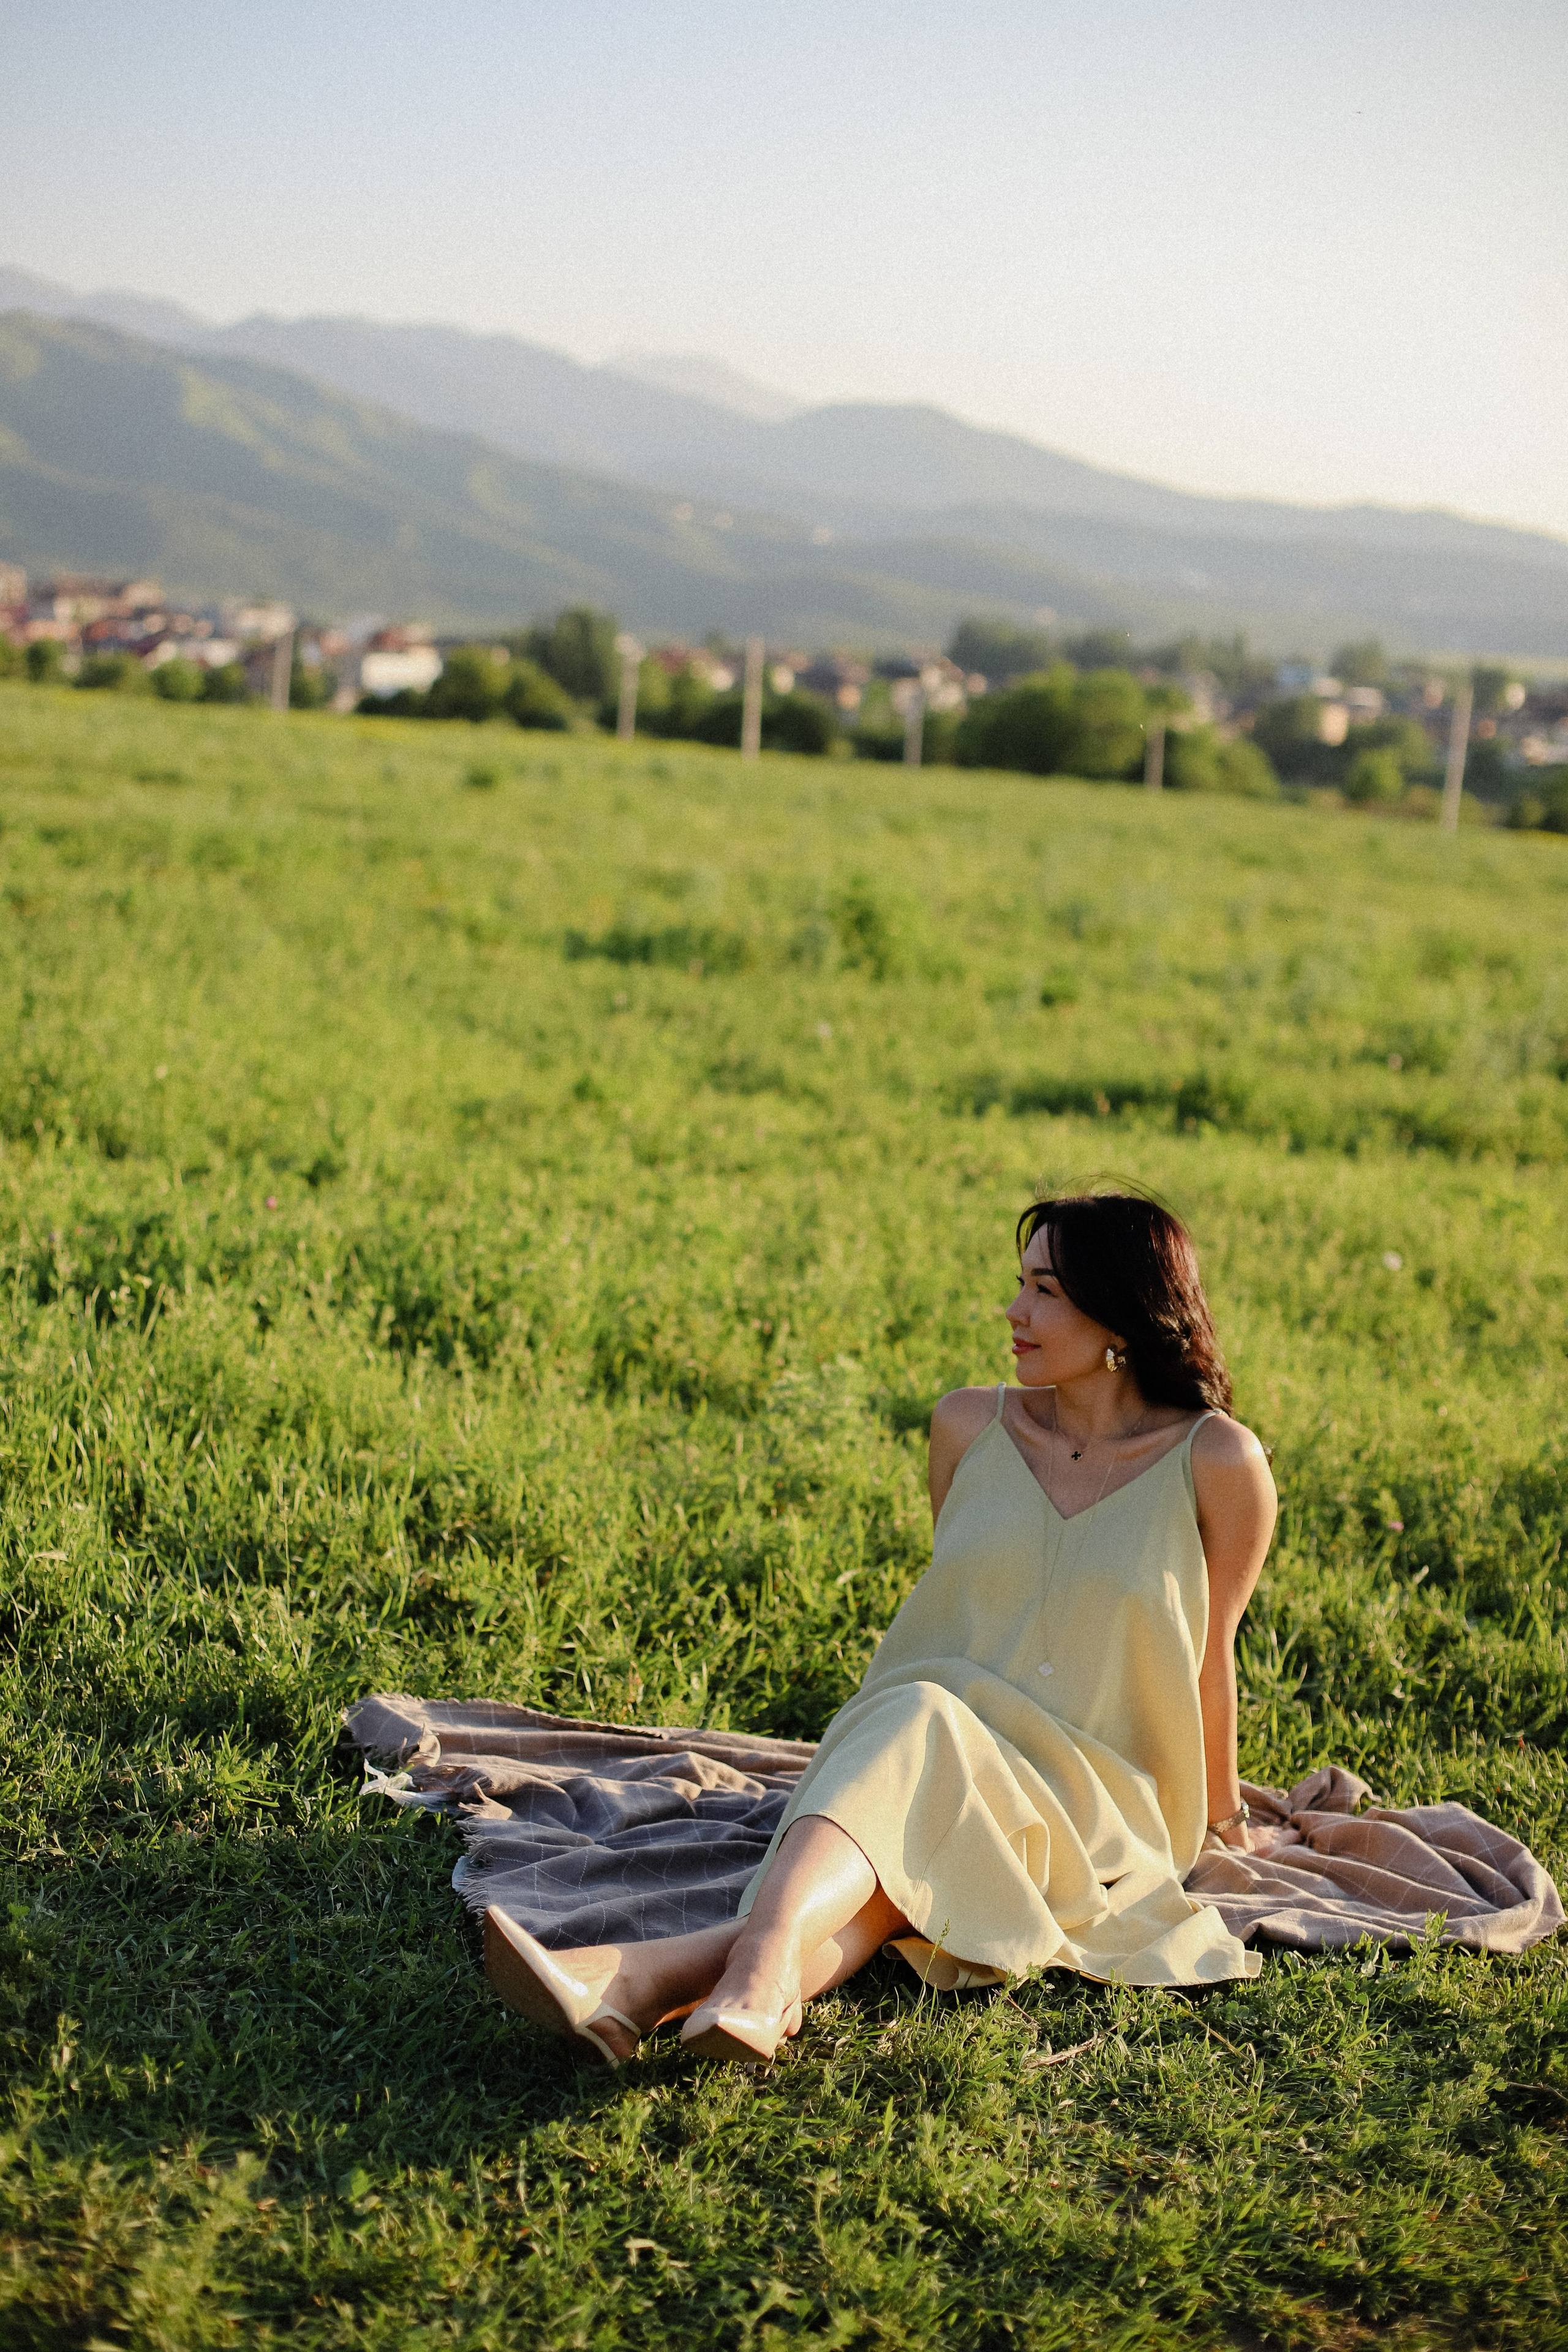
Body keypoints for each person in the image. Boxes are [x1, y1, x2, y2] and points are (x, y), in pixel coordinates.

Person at [483, 1189, 1280, 2065]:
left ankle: (677, 1972)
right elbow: (969, 1609)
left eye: (1045, 1291)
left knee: (918, 1729)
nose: (1014, 1311)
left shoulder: (1217, 1460)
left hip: (1093, 1801)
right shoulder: (969, 1425)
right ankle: (706, 1990)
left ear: (1122, 1315)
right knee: (905, 1819)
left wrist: (1225, 1818)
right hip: (935, 1744)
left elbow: (1211, 1656)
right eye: (1020, 1283)